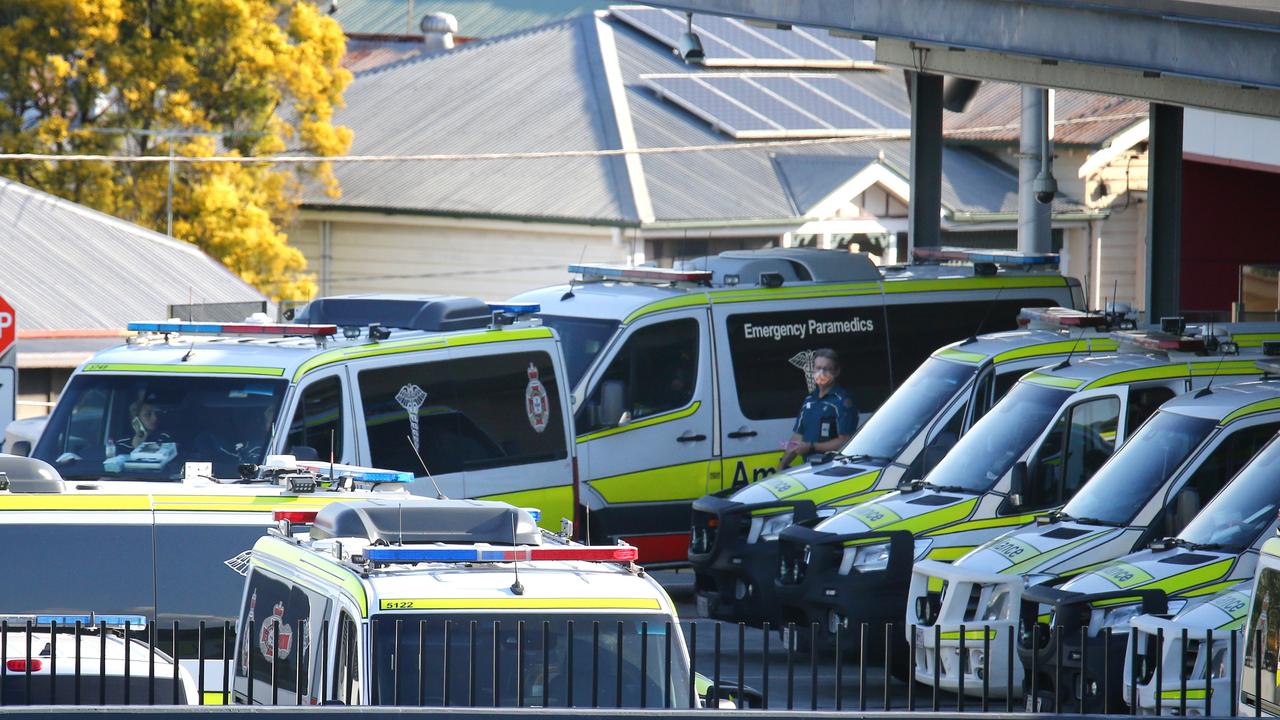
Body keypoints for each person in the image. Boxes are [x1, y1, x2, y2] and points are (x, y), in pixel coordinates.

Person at [778, 348, 856, 470]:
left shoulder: (842, 402)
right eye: (818, 368)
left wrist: (811, 447)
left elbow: (845, 441)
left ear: (836, 372)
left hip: (833, 470)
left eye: (826, 369)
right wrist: (782, 466)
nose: (821, 373)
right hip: (810, 469)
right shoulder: (809, 400)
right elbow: (798, 436)